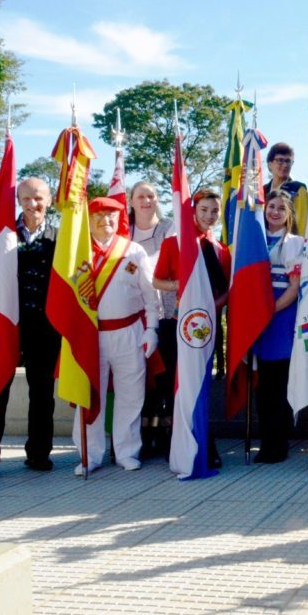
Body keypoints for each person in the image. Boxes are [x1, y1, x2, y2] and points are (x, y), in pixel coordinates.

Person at [0, 178, 61, 480]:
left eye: (38, 198)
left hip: (44, 328)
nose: (32, 204)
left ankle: (38, 454)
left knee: (42, 393)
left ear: (48, 200)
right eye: (26, 198)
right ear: (18, 200)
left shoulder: (60, 238)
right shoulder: (2, 236)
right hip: (6, 323)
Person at [72, 197, 159, 475]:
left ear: (118, 218)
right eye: (98, 216)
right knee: (89, 395)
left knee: (131, 395)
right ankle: (90, 454)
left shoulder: (133, 252)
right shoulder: (78, 252)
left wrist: (151, 330)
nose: (104, 221)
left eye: (110, 216)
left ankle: (126, 451)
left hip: (128, 332)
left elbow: (150, 296)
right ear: (89, 219)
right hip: (90, 336)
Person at [153, 189, 231, 468]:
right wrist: (181, 288)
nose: (209, 216)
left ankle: (205, 444)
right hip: (177, 327)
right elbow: (157, 280)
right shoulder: (174, 244)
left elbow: (226, 291)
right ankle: (179, 444)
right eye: (204, 210)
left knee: (201, 388)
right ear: (193, 211)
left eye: (214, 211)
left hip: (206, 330)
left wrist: (210, 306)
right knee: (177, 388)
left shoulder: (221, 249)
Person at [250, 190, 301, 463]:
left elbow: (294, 287)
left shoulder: (294, 243)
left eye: (282, 208)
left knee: (279, 384)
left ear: (289, 213)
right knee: (263, 385)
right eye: (271, 206)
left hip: (281, 318)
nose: (275, 212)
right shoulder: (252, 240)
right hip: (259, 321)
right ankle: (265, 442)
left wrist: (270, 310)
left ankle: (278, 444)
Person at [128, 181, 176, 459]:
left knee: (166, 380)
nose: (146, 201)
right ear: (131, 201)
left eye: (151, 195)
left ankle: (168, 437)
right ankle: (142, 438)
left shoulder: (169, 229)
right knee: (140, 381)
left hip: (166, 314)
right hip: (136, 317)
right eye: (140, 196)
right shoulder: (125, 232)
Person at [264, 143, 308, 235]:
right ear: (270, 164)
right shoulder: (262, 191)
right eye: (280, 160)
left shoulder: (298, 190)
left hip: (289, 245)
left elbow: (302, 224)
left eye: (288, 161)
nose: (285, 165)